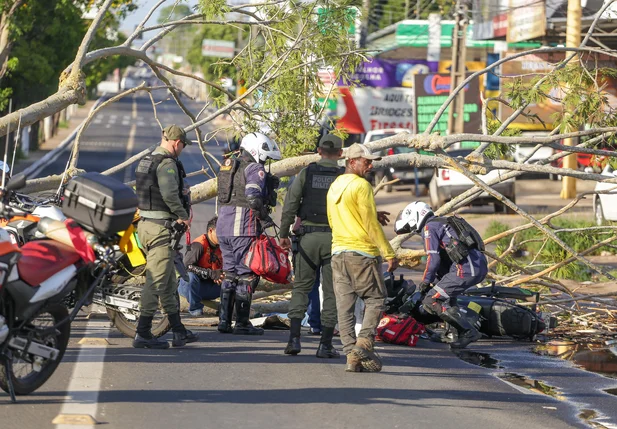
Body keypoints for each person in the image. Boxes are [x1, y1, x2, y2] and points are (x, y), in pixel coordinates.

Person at [327, 143, 399, 373]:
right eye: (366, 161)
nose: (369, 165)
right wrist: (389, 253)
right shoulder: (361, 185)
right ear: (351, 161)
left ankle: (351, 356)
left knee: (345, 306)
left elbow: (335, 218)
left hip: (338, 253)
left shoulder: (335, 185)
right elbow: (369, 223)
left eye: (370, 161)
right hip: (362, 253)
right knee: (376, 299)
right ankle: (364, 343)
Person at [133, 124, 199, 349]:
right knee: (156, 280)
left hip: (147, 225)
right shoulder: (167, 164)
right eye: (182, 146)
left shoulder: (147, 160)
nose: (181, 150)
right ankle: (142, 333)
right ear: (176, 143)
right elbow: (170, 194)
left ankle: (179, 331)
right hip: (160, 228)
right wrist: (183, 216)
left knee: (169, 281)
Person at [279, 133, 344, 358]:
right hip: (335, 240)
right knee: (331, 292)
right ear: (340, 153)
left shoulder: (307, 173)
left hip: (307, 239)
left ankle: (294, 340)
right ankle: (325, 345)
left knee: (301, 289)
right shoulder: (343, 176)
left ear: (318, 151)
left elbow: (290, 204)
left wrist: (283, 233)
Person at [394, 201, 488, 349]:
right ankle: (452, 334)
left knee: (430, 299)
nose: (412, 230)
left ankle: (468, 331)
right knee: (446, 296)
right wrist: (433, 281)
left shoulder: (429, 227)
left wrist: (425, 283)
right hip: (477, 266)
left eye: (411, 227)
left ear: (416, 217)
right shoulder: (442, 222)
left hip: (466, 269)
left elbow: (433, 259)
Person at [216, 132, 281, 335]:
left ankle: (224, 322)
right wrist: (264, 218)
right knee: (246, 275)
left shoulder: (228, 165)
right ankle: (242, 323)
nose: (265, 161)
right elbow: (253, 198)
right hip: (242, 228)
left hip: (223, 227)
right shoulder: (254, 168)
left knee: (230, 274)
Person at [178, 216, 224, 317]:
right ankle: (195, 309)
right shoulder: (198, 244)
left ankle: (227, 309)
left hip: (208, 287)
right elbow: (186, 267)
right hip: (189, 287)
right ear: (211, 231)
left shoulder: (223, 246)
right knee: (190, 276)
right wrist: (210, 274)